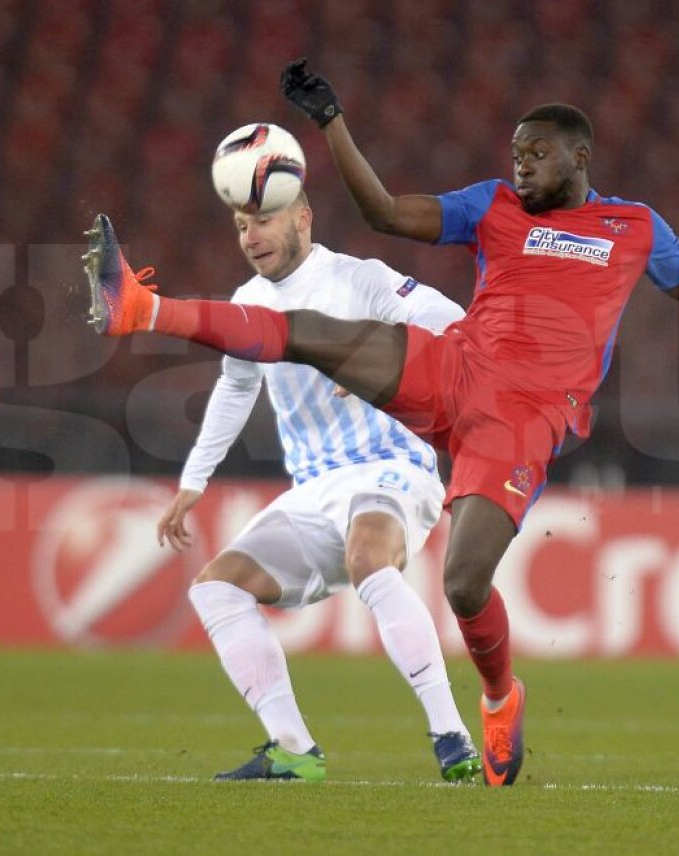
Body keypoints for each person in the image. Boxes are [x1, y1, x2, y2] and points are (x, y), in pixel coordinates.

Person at [81, 67, 679, 787]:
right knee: (306, 336)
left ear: (580, 158)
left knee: (465, 584)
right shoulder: (496, 207)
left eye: (536, 153)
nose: (521, 165)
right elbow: (384, 214)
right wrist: (331, 122)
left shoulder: (634, 229)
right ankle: (140, 306)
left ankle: (500, 695)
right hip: (458, 368)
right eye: (515, 153)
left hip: (523, 422)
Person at [145, 191, 480, 782]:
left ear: (304, 215)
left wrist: (382, 354)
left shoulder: (359, 279)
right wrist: (193, 481)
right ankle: (293, 748)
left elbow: (453, 321)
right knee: (216, 589)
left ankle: (451, 735)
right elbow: (235, 389)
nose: (251, 235)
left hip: (391, 466)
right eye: (241, 225)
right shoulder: (248, 302)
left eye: (264, 220)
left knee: (369, 560)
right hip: (315, 490)